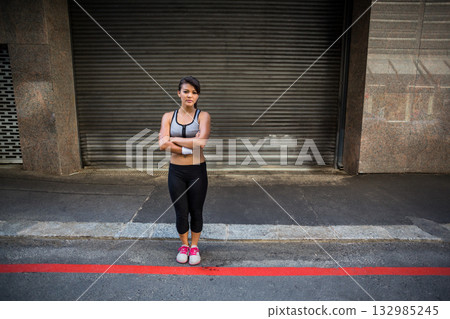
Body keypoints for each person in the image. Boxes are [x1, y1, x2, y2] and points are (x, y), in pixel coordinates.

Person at [159, 76, 211, 265]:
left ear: (198, 96)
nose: (190, 95)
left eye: (194, 92)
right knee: (181, 211)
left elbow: (202, 143)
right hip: (177, 171)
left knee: (196, 210)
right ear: (179, 93)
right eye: (186, 91)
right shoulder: (168, 116)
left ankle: (195, 246)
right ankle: (184, 245)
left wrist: (173, 138)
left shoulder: (203, 116)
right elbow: (162, 145)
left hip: (197, 170)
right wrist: (190, 147)